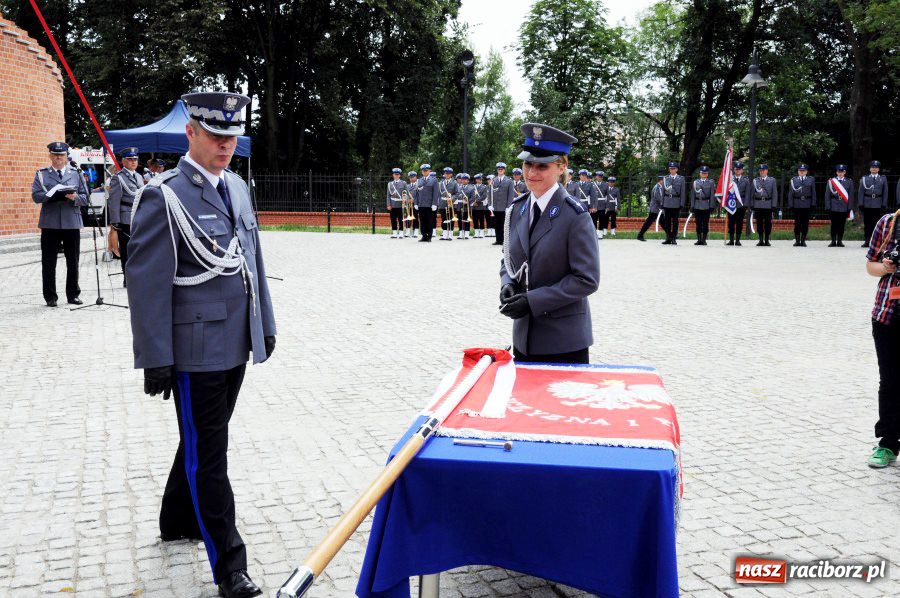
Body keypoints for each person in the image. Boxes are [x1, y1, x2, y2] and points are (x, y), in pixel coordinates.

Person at [125, 91, 275, 598]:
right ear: (190, 133)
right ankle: (230, 567)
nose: (226, 145)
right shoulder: (163, 195)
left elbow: (252, 261)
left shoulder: (236, 186)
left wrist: (265, 325)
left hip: (234, 343)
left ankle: (175, 519)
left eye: (232, 136)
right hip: (195, 352)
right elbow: (145, 284)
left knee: (203, 437)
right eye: (215, 135)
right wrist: (156, 358)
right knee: (211, 454)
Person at [499, 123, 600, 364]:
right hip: (524, 338)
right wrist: (507, 284)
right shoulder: (517, 210)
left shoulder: (575, 216)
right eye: (527, 163)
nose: (532, 172)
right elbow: (508, 259)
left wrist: (532, 301)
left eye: (542, 165)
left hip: (563, 341)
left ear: (561, 166)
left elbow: (586, 279)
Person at [31, 141, 90, 307]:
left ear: (66, 156)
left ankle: (73, 294)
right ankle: (50, 297)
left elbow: (86, 198)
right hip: (50, 223)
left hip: (72, 221)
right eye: (55, 155)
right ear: (50, 155)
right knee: (48, 262)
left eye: (61, 155)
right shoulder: (41, 174)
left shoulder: (76, 173)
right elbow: (36, 196)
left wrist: (75, 198)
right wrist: (50, 195)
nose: (58, 158)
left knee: (73, 261)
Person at [865, 209, 900, 467]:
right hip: (887, 314)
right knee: (889, 381)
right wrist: (886, 267)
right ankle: (888, 443)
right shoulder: (888, 223)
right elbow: (870, 266)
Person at [107, 147, 144, 286]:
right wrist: (115, 223)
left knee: (138, 248)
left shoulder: (139, 176)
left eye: (135, 159)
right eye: (130, 159)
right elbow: (114, 201)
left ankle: (138, 277)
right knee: (127, 249)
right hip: (125, 218)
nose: (133, 162)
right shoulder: (118, 178)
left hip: (138, 217)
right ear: (123, 161)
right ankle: (127, 279)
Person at [858, 160, 887, 248]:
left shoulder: (883, 178)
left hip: (878, 203)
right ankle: (867, 241)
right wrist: (861, 204)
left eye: (876, 167)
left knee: (876, 224)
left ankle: (876, 242)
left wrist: (884, 204)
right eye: (872, 167)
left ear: (878, 169)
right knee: (867, 223)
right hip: (867, 203)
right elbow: (861, 192)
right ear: (870, 169)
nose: (874, 169)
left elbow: (885, 192)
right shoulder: (865, 178)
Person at [787, 164, 816, 247]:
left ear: (806, 171)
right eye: (800, 171)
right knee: (797, 224)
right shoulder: (793, 180)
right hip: (797, 204)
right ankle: (797, 241)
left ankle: (803, 241)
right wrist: (791, 205)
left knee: (805, 224)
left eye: (803, 171)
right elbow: (790, 194)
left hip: (807, 204)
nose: (802, 172)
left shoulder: (811, 180)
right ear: (798, 172)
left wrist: (813, 204)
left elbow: (813, 192)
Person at [824, 164, 853, 247]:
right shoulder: (831, 181)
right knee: (834, 224)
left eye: (842, 172)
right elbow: (827, 195)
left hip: (844, 206)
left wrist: (849, 207)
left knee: (841, 224)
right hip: (833, 205)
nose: (840, 173)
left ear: (845, 172)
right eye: (839, 172)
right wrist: (828, 206)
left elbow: (850, 196)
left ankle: (839, 241)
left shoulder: (849, 181)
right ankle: (833, 241)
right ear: (836, 172)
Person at [751, 164, 778, 246]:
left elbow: (774, 193)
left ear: (767, 171)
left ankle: (767, 240)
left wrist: (774, 205)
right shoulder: (755, 181)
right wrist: (752, 204)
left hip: (768, 204)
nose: (762, 172)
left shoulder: (772, 180)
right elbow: (752, 194)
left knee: (768, 223)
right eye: (760, 170)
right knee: (759, 223)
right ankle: (760, 240)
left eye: (763, 170)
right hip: (758, 204)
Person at [491, 162, 515, 245]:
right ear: (497, 170)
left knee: (504, 225)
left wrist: (508, 206)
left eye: (501, 169)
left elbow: (511, 195)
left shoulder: (509, 181)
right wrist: (490, 204)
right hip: (495, 207)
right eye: (499, 169)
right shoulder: (493, 180)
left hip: (504, 207)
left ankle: (504, 240)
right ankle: (498, 240)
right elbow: (490, 193)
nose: (500, 170)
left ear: (504, 170)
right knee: (496, 224)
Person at [691, 166, 716, 245]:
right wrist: (692, 205)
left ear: (707, 174)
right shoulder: (696, 182)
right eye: (702, 173)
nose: (704, 174)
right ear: (700, 173)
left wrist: (712, 206)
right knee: (698, 223)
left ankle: (704, 240)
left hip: (706, 205)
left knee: (705, 223)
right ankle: (699, 239)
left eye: (705, 173)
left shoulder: (711, 182)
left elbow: (712, 195)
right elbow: (693, 195)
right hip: (697, 205)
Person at [661, 162, 685, 245]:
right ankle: (668, 238)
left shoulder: (681, 179)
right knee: (667, 221)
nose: (672, 170)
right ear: (669, 169)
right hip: (667, 201)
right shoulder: (665, 178)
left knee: (675, 222)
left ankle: (674, 238)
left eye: (674, 168)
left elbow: (682, 192)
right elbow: (663, 191)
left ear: (677, 169)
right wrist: (662, 203)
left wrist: (682, 203)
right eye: (670, 168)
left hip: (676, 202)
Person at [414, 164, 438, 242]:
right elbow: (416, 193)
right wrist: (416, 203)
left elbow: (435, 193)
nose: (425, 172)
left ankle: (429, 236)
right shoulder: (419, 180)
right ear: (422, 171)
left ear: (429, 171)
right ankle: (424, 235)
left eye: (426, 170)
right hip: (421, 204)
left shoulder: (434, 180)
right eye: (423, 170)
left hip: (430, 205)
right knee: (422, 221)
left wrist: (434, 204)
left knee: (429, 221)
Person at [637, 175, 665, 241]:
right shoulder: (657, 187)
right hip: (655, 209)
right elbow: (657, 197)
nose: (665, 182)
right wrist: (663, 202)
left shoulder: (660, 187)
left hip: (658, 209)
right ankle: (640, 235)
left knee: (663, 222)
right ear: (660, 181)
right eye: (664, 180)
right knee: (649, 222)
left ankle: (670, 235)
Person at [437, 167, 458, 241]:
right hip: (443, 203)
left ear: (451, 174)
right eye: (446, 173)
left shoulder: (455, 183)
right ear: (444, 174)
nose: (447, 175)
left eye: (448, 174)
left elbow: (457, 193)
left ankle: (450, 235)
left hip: (451, 203)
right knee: (444, 219)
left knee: (451, 219)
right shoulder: (440, 183)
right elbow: (439, 194)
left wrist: (452, 198)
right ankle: (445, 235)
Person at [386, 167, 407, 239]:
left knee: (401, 219)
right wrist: (388, 204)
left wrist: (405, 200)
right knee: (393, 219)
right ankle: (394, 232)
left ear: (399, 175)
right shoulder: (390, 184)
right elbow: (388, 195)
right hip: (392, 204)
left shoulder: (403, 183)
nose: (396, 176)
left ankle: (401, 233)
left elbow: (405, 193)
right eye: (395, 174)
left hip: (401, 204)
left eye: (398, 174)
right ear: (393, 175)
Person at [456, 173, 474, 239]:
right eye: (462, 179)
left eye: (465, 179)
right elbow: (456, 195)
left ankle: (466, 233)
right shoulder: (458, 187)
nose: (463, 181)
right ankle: (460, 233)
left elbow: (473, 197)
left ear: (468, 180)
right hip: (459, 206)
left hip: (467, 207)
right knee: (460, 220)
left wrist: (467, 202)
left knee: (467, 219)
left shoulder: (471, 188)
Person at [592, 171, 608, 239]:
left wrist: (607, 206)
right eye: (598, 176)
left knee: (602, 219)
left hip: (602, 204)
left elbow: (608, 196)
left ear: (602, 177)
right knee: (594, 219)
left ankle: (600, 233)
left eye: (601, 176)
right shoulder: (592, 184)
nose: (599, 178)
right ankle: (595, 233)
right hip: (594, 205)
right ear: (596, 177)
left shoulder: (606, 184)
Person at [471, 173, 489, 239]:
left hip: (481, 205)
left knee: (481, 219)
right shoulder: (473, 186)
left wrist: (476, 201)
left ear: (481, 179)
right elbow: (471, 195)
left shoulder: (484, 187)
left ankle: (481, 232)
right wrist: (473, 201)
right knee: (475, 219)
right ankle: (476, 232)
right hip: (474, 205)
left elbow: (484, 196)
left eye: (479, 179)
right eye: (477, 179)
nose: (478, 180)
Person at [406, 171, 419, 238]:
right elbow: (405, 195)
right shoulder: (407, 186)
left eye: (413, 177)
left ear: (416, 177)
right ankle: (408, 232)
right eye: (410, 177)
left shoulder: (418, 185)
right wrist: (407, 199)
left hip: (416, 204)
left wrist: (413, 200)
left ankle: (416, 231)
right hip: (408, 204)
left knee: (415, 218)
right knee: (408, 218)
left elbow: (419, 195)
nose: (411, 179)